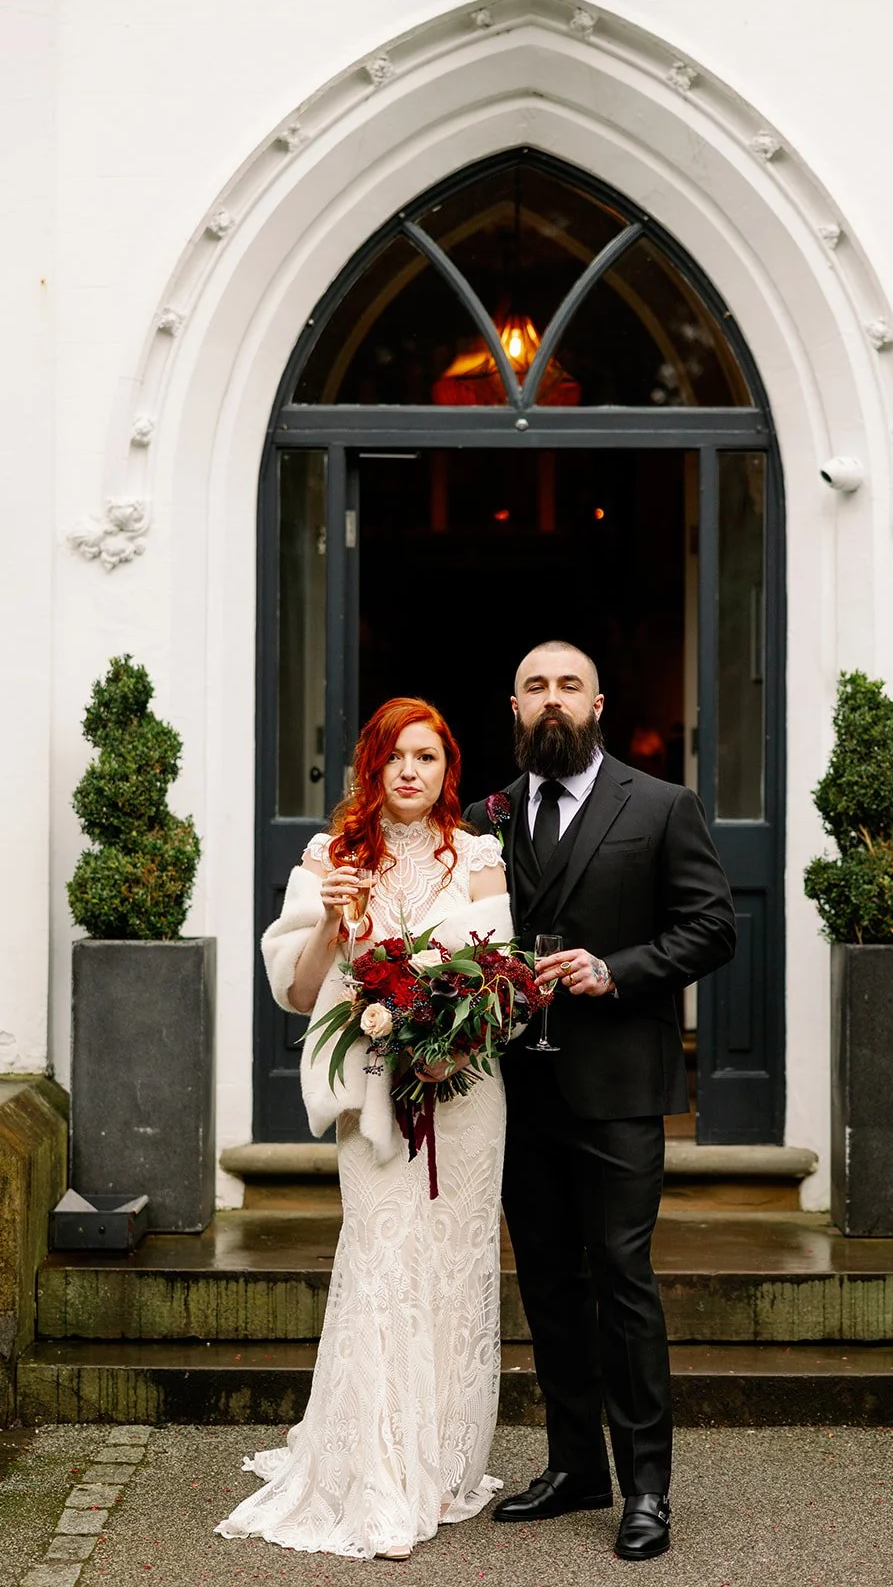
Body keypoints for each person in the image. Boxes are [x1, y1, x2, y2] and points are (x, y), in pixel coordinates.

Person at [218, 698, 512, 1561]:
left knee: (455, 1264)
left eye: (427, 756)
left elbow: (495, 981)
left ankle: (443, 1459)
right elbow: (303, 993)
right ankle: (381, 1473)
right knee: (383, 1260)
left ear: (445, 768)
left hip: (464, 1097)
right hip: (375, 1090)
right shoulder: (330, 858)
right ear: (371, 769)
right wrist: (330, 922)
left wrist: (446, 1050)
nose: (410, 771)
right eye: (395, 757)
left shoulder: (480, 855)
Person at [465, 641, 736, 1563]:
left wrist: (612, 970)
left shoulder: (660, 805)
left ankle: (646, 1488)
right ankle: (575, 1467)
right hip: (515, 1087)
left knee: (621, 1278)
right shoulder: (485, 814)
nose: (551, 700)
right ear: (514, 705)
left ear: (597, 705)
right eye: (534, 686)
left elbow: (710, 929)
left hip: (619, 1085)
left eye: (566, 687)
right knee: (545, 1281)